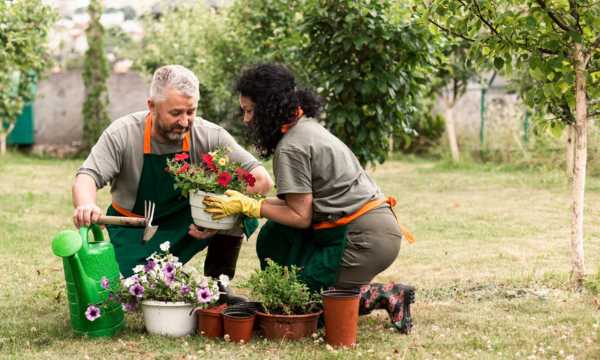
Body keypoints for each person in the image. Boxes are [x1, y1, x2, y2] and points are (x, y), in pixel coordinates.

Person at [203, 63, 415, 333]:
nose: (245, 119)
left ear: (269, 107)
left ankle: (386, 294)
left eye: (249, 110)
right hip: (362, 227)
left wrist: (253, 205)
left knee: (298, 307)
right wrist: (252, 204)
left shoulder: (291, 147)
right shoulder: (306, 127)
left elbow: (300, 217)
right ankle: (321, 286)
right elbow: (300, 205)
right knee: (274, 234)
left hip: (364, 238)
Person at [72, 65, 273, 298]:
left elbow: (261, 181)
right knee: (140, 293)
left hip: (189, 224)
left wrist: (215, 218)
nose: (185, 121)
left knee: (241, 209)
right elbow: (87, 176)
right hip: (135, 229)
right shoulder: (123, 134)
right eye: (176, 113)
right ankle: (170, 278)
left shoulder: (209, 135)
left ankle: (219, 286)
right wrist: (86, 204)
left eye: (191, 111)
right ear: (152, 106)